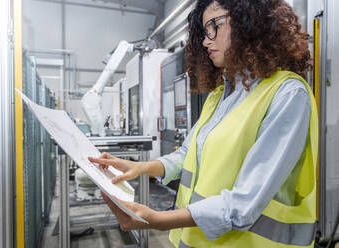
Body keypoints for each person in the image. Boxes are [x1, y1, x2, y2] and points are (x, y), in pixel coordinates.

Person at [89, 0, 318, 247]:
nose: (206, 41)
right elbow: (187, 154)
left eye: (214, 26)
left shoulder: (287, 94)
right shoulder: (219, 96)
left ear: (249, 23)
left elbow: (244, 203)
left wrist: (157, 219)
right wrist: (139, 167)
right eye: (203, 32)